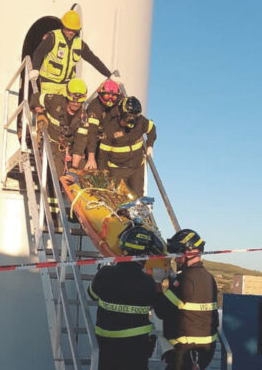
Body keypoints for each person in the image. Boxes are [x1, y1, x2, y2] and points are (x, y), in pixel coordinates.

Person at [88, 225, 163, 370]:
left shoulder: (105, 273)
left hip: (106, 346)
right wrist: (159, 281)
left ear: (123, 248)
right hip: (136, 349)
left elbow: (92, 295)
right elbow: (159, 308)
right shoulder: (148, 282)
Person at [154, 229, 219, 370]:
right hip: (204, 349)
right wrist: (173, 279)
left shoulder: (185, 281)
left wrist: (158, 283)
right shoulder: (209, 278)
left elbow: (160, 310)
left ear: (188, 253)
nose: (176, 259)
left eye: (178, 254)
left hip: (187, 351)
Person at [29, 78, 87, 219]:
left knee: (85, 173)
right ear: (67, 96)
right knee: (55, 171)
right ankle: (52, 214)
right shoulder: (54, 100)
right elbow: (35, 98)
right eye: (73, 100)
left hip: (69, 148)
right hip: (52, 143)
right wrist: (40, 113)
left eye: (79, 101)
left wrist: (74, 167)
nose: (75, 104)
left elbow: (80, 144)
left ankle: (78, 213)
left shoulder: (83, 117)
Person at [31, 10, 114, 95]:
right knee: (48, 106)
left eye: (74, 30)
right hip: (49, 83)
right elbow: (39, 52)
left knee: (65, 107)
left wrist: (109, 75)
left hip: (66, 85)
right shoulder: (53, 37)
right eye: (68, 29)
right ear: (63, 26)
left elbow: (93, 59)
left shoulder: (79, 43)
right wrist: (35, 69)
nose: (71, 32)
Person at [96, 96, 156, 197]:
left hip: (136, 168)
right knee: (119, 201)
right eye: (126, 121)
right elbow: (103, 157)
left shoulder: (140, 121)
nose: (128, 124)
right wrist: (106, 177)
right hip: (117, 170)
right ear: (120, 113)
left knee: (138, 199)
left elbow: (152, 128)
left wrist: (150, 146)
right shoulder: (110, 128)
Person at [72, 79, 123, 171]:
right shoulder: (94, 107)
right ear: (101, 94)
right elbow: (92, 132)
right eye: (107, 95)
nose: (110, 99)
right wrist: (91, 158)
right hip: (95, 137)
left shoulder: (121, 103)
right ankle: (75, 166)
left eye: (114, 96)